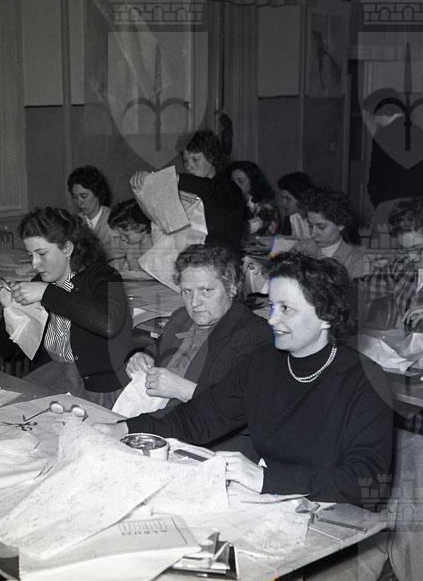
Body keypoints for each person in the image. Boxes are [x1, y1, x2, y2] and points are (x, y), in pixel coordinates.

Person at [99, 253, 393, 507]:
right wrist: (124, 428)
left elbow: (369, 482)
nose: (272, 319)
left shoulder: (364, 380)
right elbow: (197, 418)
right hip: (278, 500)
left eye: (286, 309)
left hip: (336, 511)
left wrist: (264, 478)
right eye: (272, 306)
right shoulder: (264, 362)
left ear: (327, 316)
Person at [124, 245, 269, 450]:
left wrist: (182, 389)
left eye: (206, 291)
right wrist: (140, 357)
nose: (194, 303)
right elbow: (155, 352)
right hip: (156, 424)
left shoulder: (255, 335)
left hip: (210, 445)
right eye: (187, 292)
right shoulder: (181, 317)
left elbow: (247, 411)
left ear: (232, 288)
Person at [0, 207, 134, 408]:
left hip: (99, 389)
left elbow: (108, 323)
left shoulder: (103, 276)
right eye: (31, 255)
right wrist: (11, 309)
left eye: (42, 254)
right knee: (6, 410)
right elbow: (5, 350)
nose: (34, 264)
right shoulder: (40, 282)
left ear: (67, 248)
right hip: (59, 376)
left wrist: (47, 293)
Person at [130, 129, 245, 251]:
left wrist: (169, 178)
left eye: (195, 159)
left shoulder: (229, 189)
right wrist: (147, 188)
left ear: (211, 158)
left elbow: (207, 188)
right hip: (188, 259)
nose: (189, 166)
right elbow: (139, 216)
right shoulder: (184, 190)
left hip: (222, 259)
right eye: (185, 161)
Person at [358, 196, 423, 330]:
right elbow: (363, 289)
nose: (412, 258)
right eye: (406, 250)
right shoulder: (402, 266)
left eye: (418, 249)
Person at [291, 189, 370, 279]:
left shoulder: (356, 260)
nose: (313, 234)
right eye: (310, 226)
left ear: (341, 225)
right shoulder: (300, 248)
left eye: (321, 227)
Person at [67, 166, 117, 258]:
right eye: (75, 197)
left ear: (97, 193)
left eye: (84, 196)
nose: (79, 202)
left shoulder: (114, 221)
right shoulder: (74, 223)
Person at [226, 160, 279, 236]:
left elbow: (260, 223)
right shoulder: (232, 200)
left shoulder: (267, 202)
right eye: (232, 182)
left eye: (240, 181)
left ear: (253, 182)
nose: (235, 185)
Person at [107, 199, 152, 272]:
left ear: (142, 228)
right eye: (121, 234)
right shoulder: (127, 243)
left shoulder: (155, 243)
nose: (122, 238)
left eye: (127, 235)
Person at [277, 172, 314, 238]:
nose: (283, 203)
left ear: (301, 198)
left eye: (288, 199)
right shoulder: (292, 217)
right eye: (282, 198)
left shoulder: (315, 217)